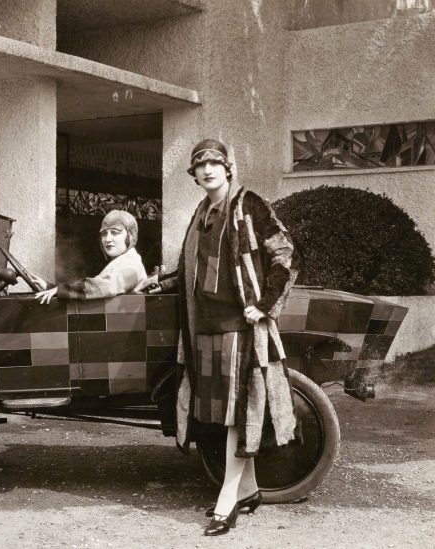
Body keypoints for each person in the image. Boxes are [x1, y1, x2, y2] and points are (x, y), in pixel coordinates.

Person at [135, 139, 299, 537]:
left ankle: (227, 500)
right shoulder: (202, 212)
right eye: (200, 166)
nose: (207, 170)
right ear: (193, 175)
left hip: (238, 329)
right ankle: (250, 490)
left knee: (236, 416)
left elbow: (286, 253)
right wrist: (161, 282)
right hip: (204, 329)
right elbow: (191, 267)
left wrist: (264, 303)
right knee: (223, 415)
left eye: (214, 163)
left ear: (229, 167)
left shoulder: (248, 205)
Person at [32, 210, 147, 304]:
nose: (107, 239)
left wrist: (61, 290)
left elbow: (106, 286)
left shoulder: (132, 265)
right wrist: (50, 287)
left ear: (130, 236)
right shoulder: (121, 261)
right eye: (104, 234)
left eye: (115, 232)